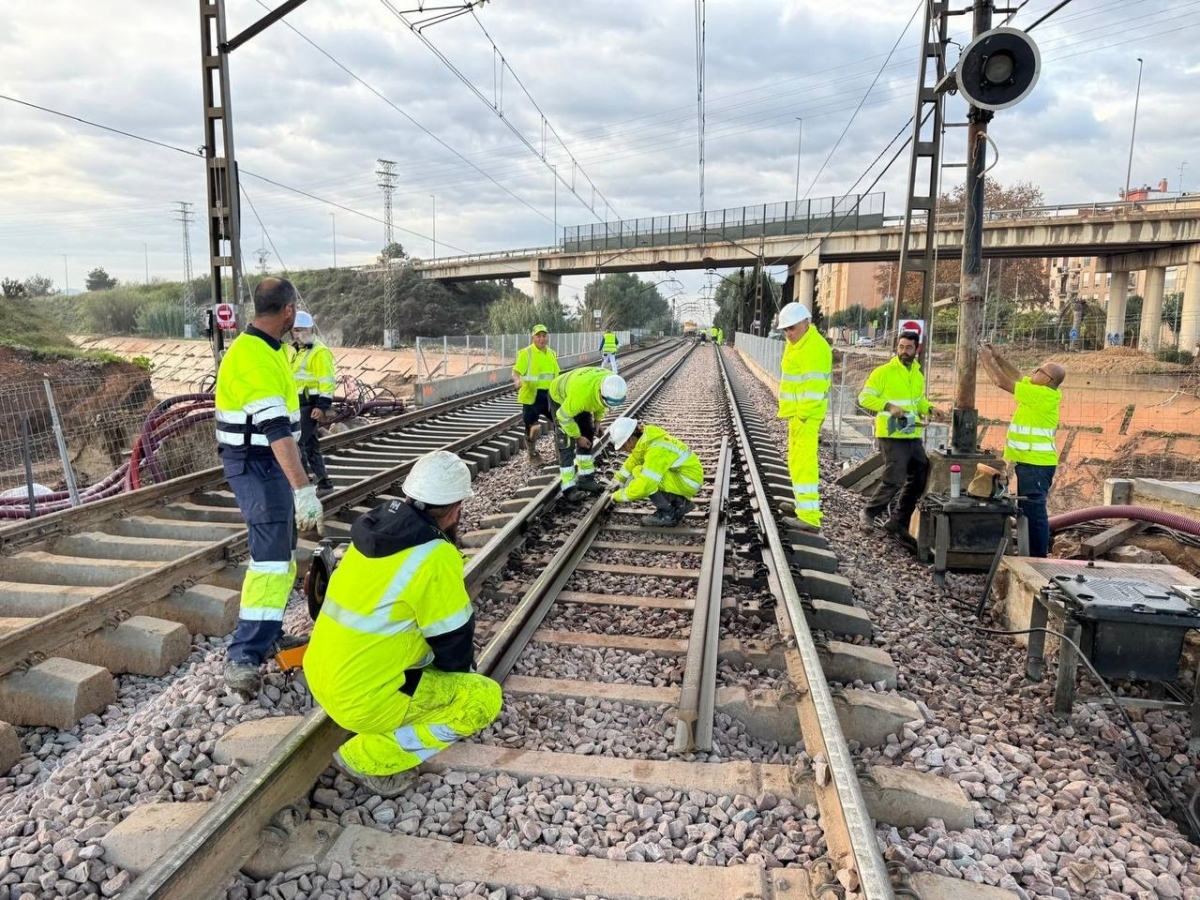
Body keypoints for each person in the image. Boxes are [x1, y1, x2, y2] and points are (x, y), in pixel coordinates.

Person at [304, 450, 502, 798]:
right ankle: (366, 757)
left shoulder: (371, 531)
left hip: (321, 677)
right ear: (456, 509)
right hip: (363, 702)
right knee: (483, 700)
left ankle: (382, 711)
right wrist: (459, 684)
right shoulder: (434, 554)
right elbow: (453, 638)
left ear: (409, 495)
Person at [214, 277, 324, 696]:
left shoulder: (268, 349)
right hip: (258, 464)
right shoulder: (255, 357)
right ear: (288, 311)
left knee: (281, 554)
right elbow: (276, 430)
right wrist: (303, 488)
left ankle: (268, 633)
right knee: (270, 560)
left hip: (267, 462)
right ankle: (243, 654)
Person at [979, 344, 1065, 557]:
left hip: (1037, 465)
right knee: (1028, 510)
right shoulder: (1037, 390)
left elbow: (1001, 382)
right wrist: (998, 357)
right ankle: (1031, 554)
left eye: (1039, 370)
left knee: (1035, 513)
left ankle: (1037, 559)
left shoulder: (1043, 396)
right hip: (1030, 463)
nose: (1034, 372)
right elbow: (1017, 376)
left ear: (1047, 380)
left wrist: (985, 359)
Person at [857, 331, 940, 546]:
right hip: (891, 433)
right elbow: (864, 397)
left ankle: (898, 521)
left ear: (916, 350)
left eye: (908, 347)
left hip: (911, 432)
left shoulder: (917, 375)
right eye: (901, 347)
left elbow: (917, 401)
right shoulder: (883, 372)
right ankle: (868, 513)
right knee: (895, 477)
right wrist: (888, 406)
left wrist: (929, 408)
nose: (904, 351)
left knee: (920, 475)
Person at [776, 301, 832, 532]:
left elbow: (815, 388)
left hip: (805, 418)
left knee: (804, 465)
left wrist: (801, 415)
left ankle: (809, 516)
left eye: (793, 328)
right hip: (798, 416)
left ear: (807, 323)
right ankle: (802, 506)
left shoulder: (814, 348)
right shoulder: (798, 343)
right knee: (796, 463)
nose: (789, 333)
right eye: (785, 329)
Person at [548, 366, 627, 502]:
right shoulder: (581, 396)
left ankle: (585, 480)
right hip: (559, 397)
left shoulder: (611, 382)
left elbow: (601, 404)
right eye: (607, 402)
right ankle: (568, 487)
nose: (608, 406)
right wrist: (577, 437)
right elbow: (562, 416)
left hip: (580, 390)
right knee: (566, 442)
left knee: (588, 433)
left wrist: (597, 421)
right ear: (601, 393)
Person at [606, 416, 703, 526]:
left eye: (623, 447)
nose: (624, 450)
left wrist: (618, 496)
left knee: (644, 477)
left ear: (631, 439)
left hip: (688, 481)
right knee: (639, 470)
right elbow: (635, 459)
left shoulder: (656, 451)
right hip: (685, 476)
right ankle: (680, 503)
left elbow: (646, 485)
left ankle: (667, 515)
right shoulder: (646, 439)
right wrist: (619, 479)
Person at [289, 310, 337, 493]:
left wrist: (322, 406)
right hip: (296, 405)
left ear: (310, 330)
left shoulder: (319, 352)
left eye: (300, 330)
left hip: (309, 406)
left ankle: (303, 483)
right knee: (310, 445)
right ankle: (324, 482)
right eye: (294, 330)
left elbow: (327, 381)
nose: (297, 334)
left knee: (297, 443)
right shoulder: (295, 350)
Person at [511, 324, 560, 461]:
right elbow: (516, 372)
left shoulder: (551, 353)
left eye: (544, 336)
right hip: (532, 396)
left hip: (550, 395)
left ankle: (561, 452)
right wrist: (517, 381)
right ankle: (532, 453)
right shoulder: (526, 353)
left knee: (560, 422)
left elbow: (556, 374)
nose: (541, 339)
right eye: (538, 336)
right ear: (533, 337)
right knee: (533, 428)